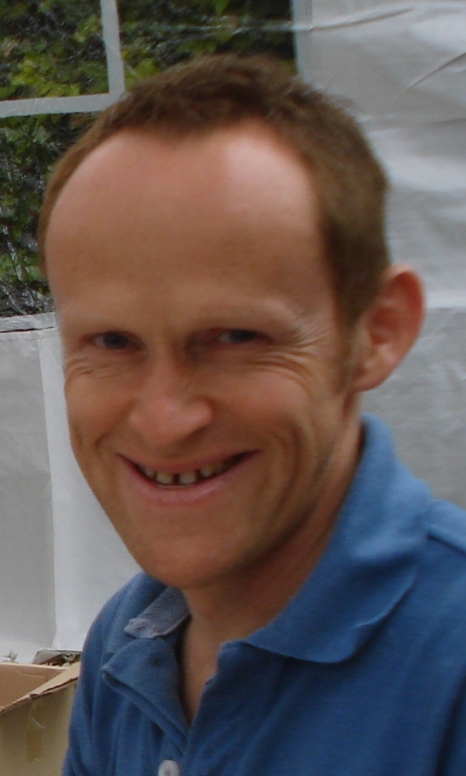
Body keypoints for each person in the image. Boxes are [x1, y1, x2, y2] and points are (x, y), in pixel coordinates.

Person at [38, 55, 466, 776]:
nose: (165, 419)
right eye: (112, 342)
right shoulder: (127, 643)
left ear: (378, 331)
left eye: (236, 337)